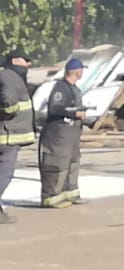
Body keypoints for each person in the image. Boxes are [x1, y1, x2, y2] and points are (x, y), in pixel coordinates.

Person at [38, 57, 87, 208]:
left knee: (72, 164)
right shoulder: (61, 88)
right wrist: (75, 114)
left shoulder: (75, 89)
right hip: (58, 135)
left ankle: (70, 193)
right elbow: (55, 109)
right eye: (81, 70)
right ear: (77, 72)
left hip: (71, 136)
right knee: (57, 165)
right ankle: (51, 197)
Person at [0, 51, 37, 224]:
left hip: (7, 135)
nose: (28, 64)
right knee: (4, 174)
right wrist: (9, 111)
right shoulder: (10, 77)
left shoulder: (7, 75)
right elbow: (7, 102)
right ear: (14, 60)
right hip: (8, 136)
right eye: (25, 60)